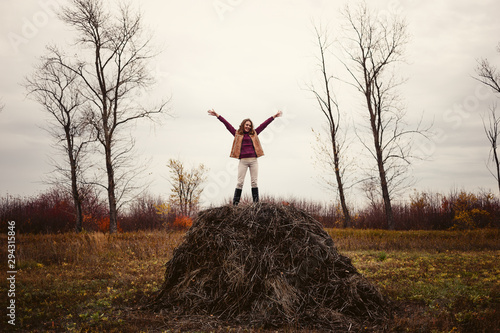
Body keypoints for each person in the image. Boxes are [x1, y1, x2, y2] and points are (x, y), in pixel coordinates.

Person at [208, 109, 283, 205]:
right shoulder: (237, 134)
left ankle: (256, 205)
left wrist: (274, 117)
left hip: (253, 161)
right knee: (240, 182)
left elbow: (264, 125)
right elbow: (227, 125)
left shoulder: (254, 133)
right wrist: (218, 116)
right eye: (246, 125)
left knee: (254, 182)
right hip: (243, 161)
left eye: (249, 125)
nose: (248, 126)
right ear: (243, 125)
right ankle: (235, 205)